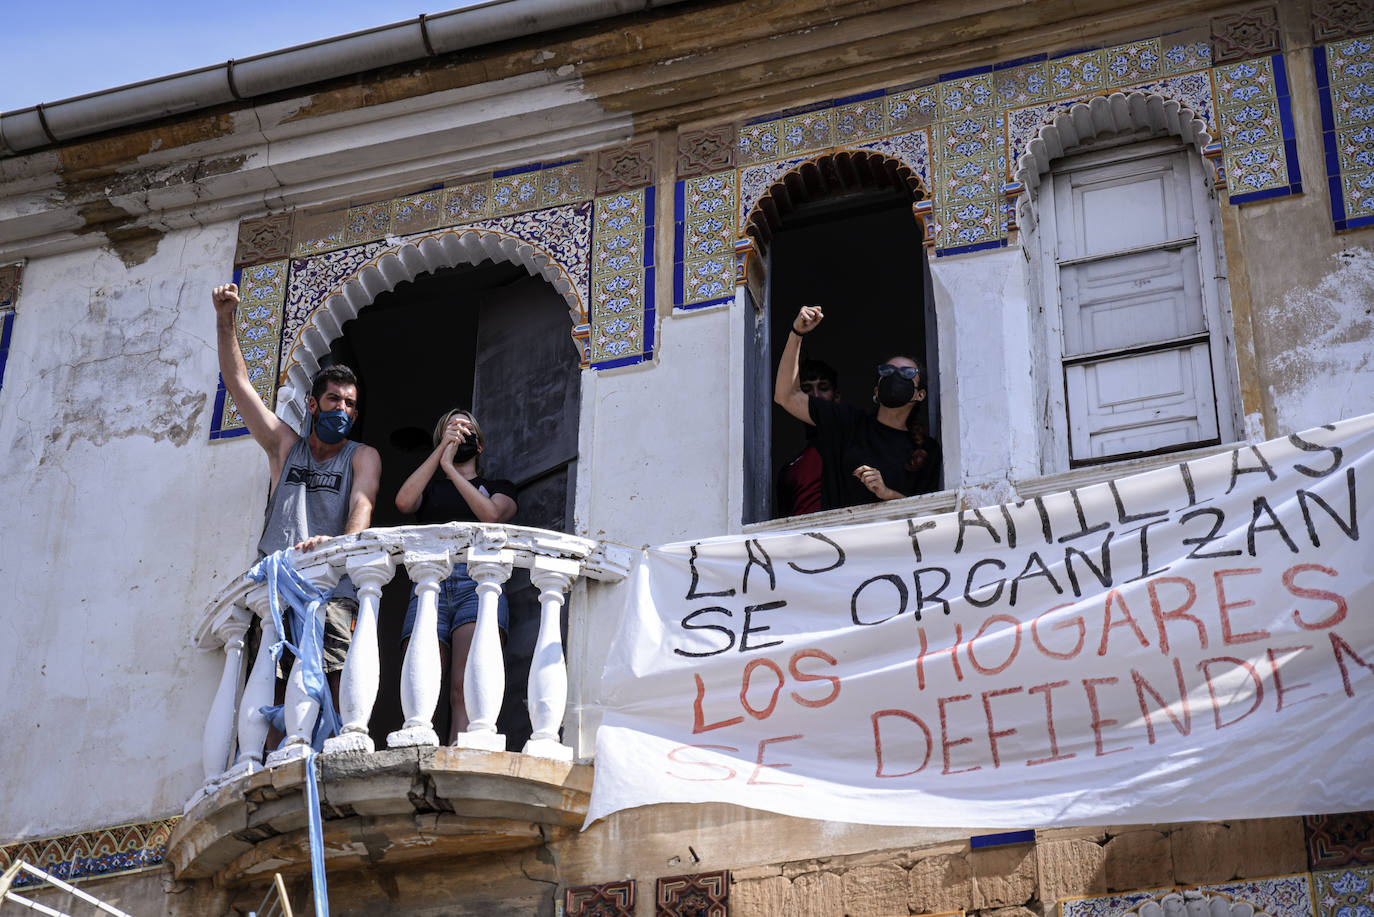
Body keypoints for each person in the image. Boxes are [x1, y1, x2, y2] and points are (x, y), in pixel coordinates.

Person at [211, 282, 382, 740]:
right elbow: (239, 385)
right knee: (272, 685)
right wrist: (225, 319)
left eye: (350, 404)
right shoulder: (285, 448)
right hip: (277, 590)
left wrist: (337, 545)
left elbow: (361, 507)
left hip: (332, 589)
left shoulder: (362, 456)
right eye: (334, 401)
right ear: (312, 404)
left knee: (330, 675)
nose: (342, 410)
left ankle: (323, 758)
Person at [395, 408, 518, 742]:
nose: (460, 432)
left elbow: (491, 515)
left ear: (478, 445)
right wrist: (440, 457)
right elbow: (404, 501)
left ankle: (458, 749)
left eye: (467, 428)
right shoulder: (431, 490)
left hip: (477, 584)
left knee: (464, 687)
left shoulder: (497, 486)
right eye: (452, 429)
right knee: (423, 678)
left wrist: (451, 467)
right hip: (431, 583)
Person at [774, 304, 940, 509]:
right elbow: (786, 396)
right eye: (887, 371)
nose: (895, 376)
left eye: (906, 373)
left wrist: (886, 493)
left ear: (920, 394)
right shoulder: (849, 423)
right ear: (877, 391)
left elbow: (930, 514)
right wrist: (796, 333)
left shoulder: (926, 450)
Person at [777, 359, 840, 517]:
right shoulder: (790, 469)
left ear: (837, 396)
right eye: (807, 389)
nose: (816, 396)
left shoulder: (857, 446)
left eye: (823, 388)